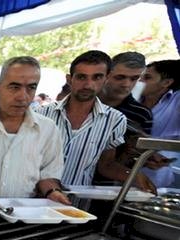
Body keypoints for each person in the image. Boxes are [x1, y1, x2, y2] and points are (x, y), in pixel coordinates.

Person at [35, 50, 155, 193]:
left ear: (106, 78)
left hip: (76, 205)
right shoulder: (41, 114)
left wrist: (134, 176)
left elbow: (106, 165)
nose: (88, 84)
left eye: (96, 77)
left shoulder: (115, 120)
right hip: (35, 201)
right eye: (81, 77)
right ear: (69, 79)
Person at [0, 56, 69, 204]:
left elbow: (48, 175)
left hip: (23, 218)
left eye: (31, 87)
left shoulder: (48, 130)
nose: (22, 96)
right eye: (14, 87)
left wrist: (53, 192)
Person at [98, 52, 167, 173]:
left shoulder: (142, 114)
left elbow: (135, 157)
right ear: (107, 74)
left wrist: (147, 158)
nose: (126, 84)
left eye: (134, 78)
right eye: (120, 77)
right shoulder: (85, 100)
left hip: (109, 183)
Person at [140, 59, 180, 187]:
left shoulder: (176, 100)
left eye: (147, 77)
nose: (139, 81)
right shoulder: (131, 98)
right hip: (129, 168)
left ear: (166, 82)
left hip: (164, 173)